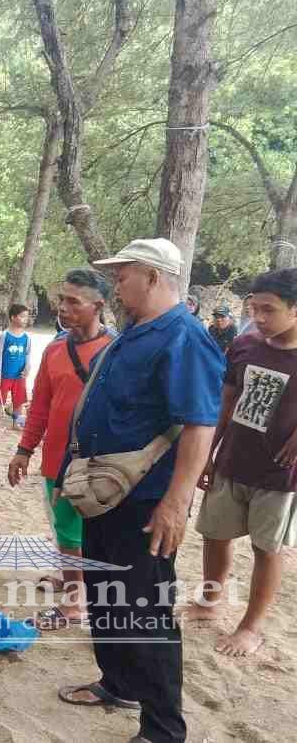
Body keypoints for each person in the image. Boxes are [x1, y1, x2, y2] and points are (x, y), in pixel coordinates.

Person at [56, 238, 223, 743]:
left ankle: (163, 729)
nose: (116, 283)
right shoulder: (134, 331)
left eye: (123, 273)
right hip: (104, 493)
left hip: (146, 501)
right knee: (107, 597)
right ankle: (119, 684)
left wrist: (176, 503)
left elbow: (199, 425)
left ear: (152, 276)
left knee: (146, 613)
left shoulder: (184, 337)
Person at [186, 268, 297, 656]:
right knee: (214, 534)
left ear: (295, 309)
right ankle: (210, 600)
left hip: (280, 474)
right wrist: (208, 453)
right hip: (232, 459)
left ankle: (251, 627)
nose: (259, 318)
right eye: (254, 309)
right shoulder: (245, 344)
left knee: (267, 549)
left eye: (269, 310)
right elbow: (226, 402)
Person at [8, 269, 115, 629]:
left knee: (84, 533)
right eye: (61, 300)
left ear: (98, 306)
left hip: (99, 462)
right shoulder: (55, 349)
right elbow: (40, 405)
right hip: (57, 458)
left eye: (73, 302)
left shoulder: (116, 351)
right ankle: (73, 586)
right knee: (65, 529)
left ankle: (74, 605)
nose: (63, 308)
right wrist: (24, 449)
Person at [0, 303, 32, 428]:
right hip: (5, 374)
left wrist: (27, 368)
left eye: (26, 317)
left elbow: (28, 354)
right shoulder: (5, 335)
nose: (25, 319)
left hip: (19, 375)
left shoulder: (27, 337)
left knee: (19, 401)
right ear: (13, 317)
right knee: (0, 399)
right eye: (22, 316)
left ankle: (17, 423)